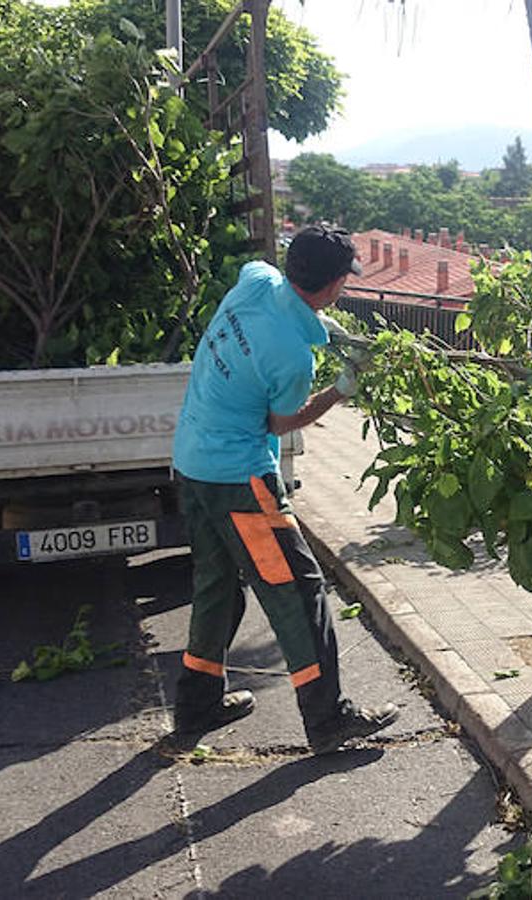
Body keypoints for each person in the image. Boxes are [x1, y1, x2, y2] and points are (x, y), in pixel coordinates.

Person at [169, 223, 397, 754]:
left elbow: (282, 297)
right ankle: (328, 720)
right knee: (298, 591)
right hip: (240, 480)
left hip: (191, 462)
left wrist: (329, 330)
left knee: (216, 585)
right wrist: (342, 389)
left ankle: (196, 705)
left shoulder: (254, 280)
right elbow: (280, 423)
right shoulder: (294, 358)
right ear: (335, 284)